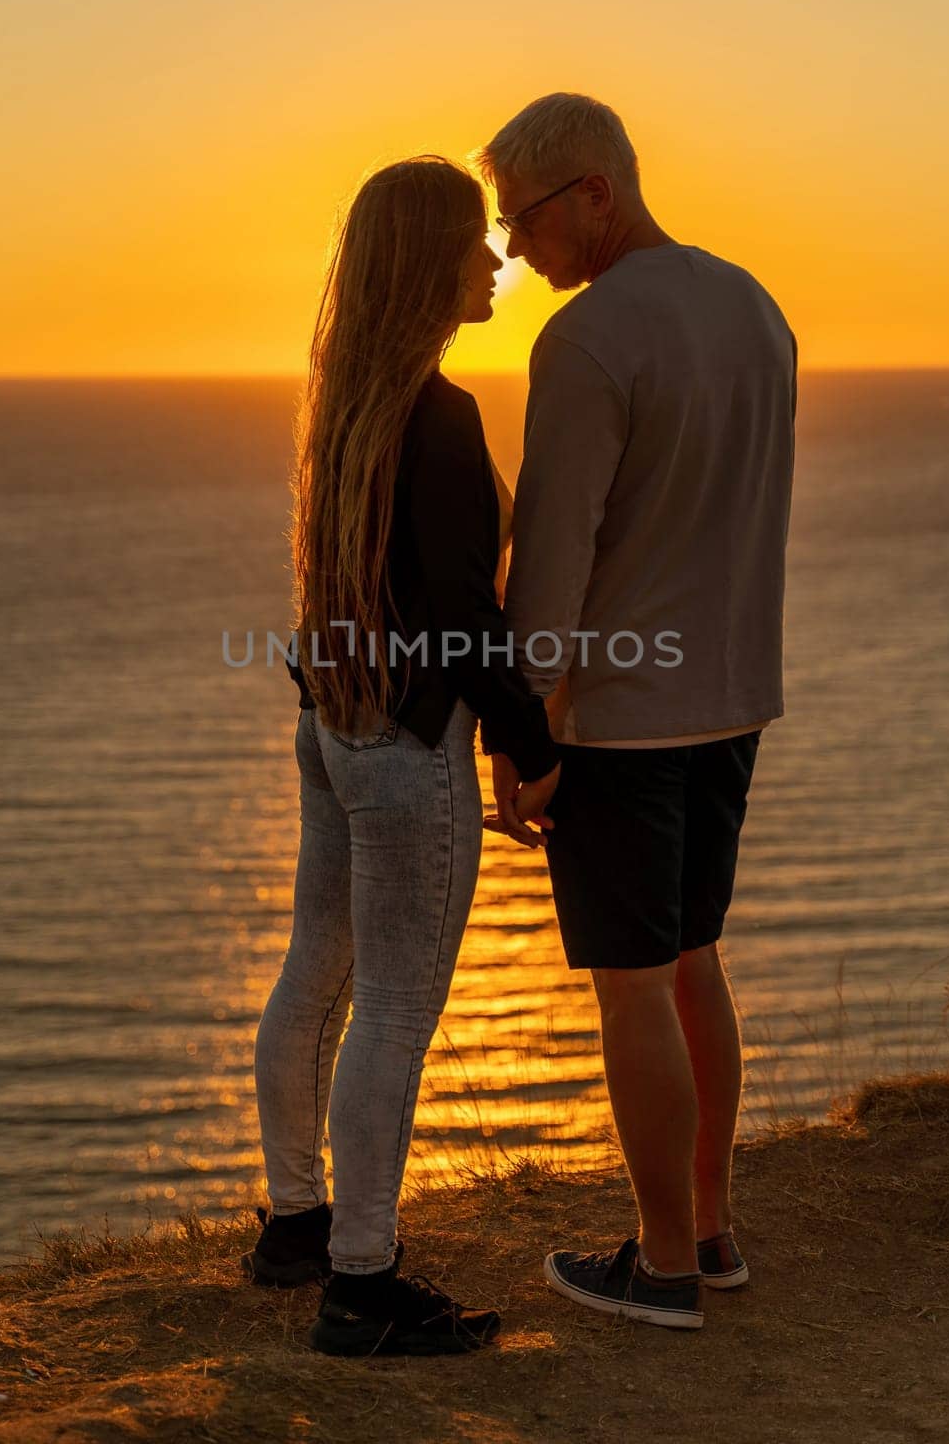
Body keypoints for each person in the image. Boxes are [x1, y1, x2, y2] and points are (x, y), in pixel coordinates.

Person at [477, 93, 797, 1331]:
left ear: (594, 194)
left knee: (627, 986)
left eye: (525, 219)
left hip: (617, 716)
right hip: (730, 699)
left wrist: (528, 728)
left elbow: (553, 558)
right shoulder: (753, 307)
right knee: (690, 960)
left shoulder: (588, 339)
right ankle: (709, 1229)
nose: (515, 249)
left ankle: (660, 1263)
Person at [242, 155, 561, 1357]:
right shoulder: (438, 413)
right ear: (431, 261)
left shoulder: (350, 402)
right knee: (392, 1011)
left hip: (332, 723)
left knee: (315, 970)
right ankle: (361, 1284)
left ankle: (296, 1228)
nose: (494, 263)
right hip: (401, 743)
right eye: (476, 246)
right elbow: (460, 616)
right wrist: (531, 745)